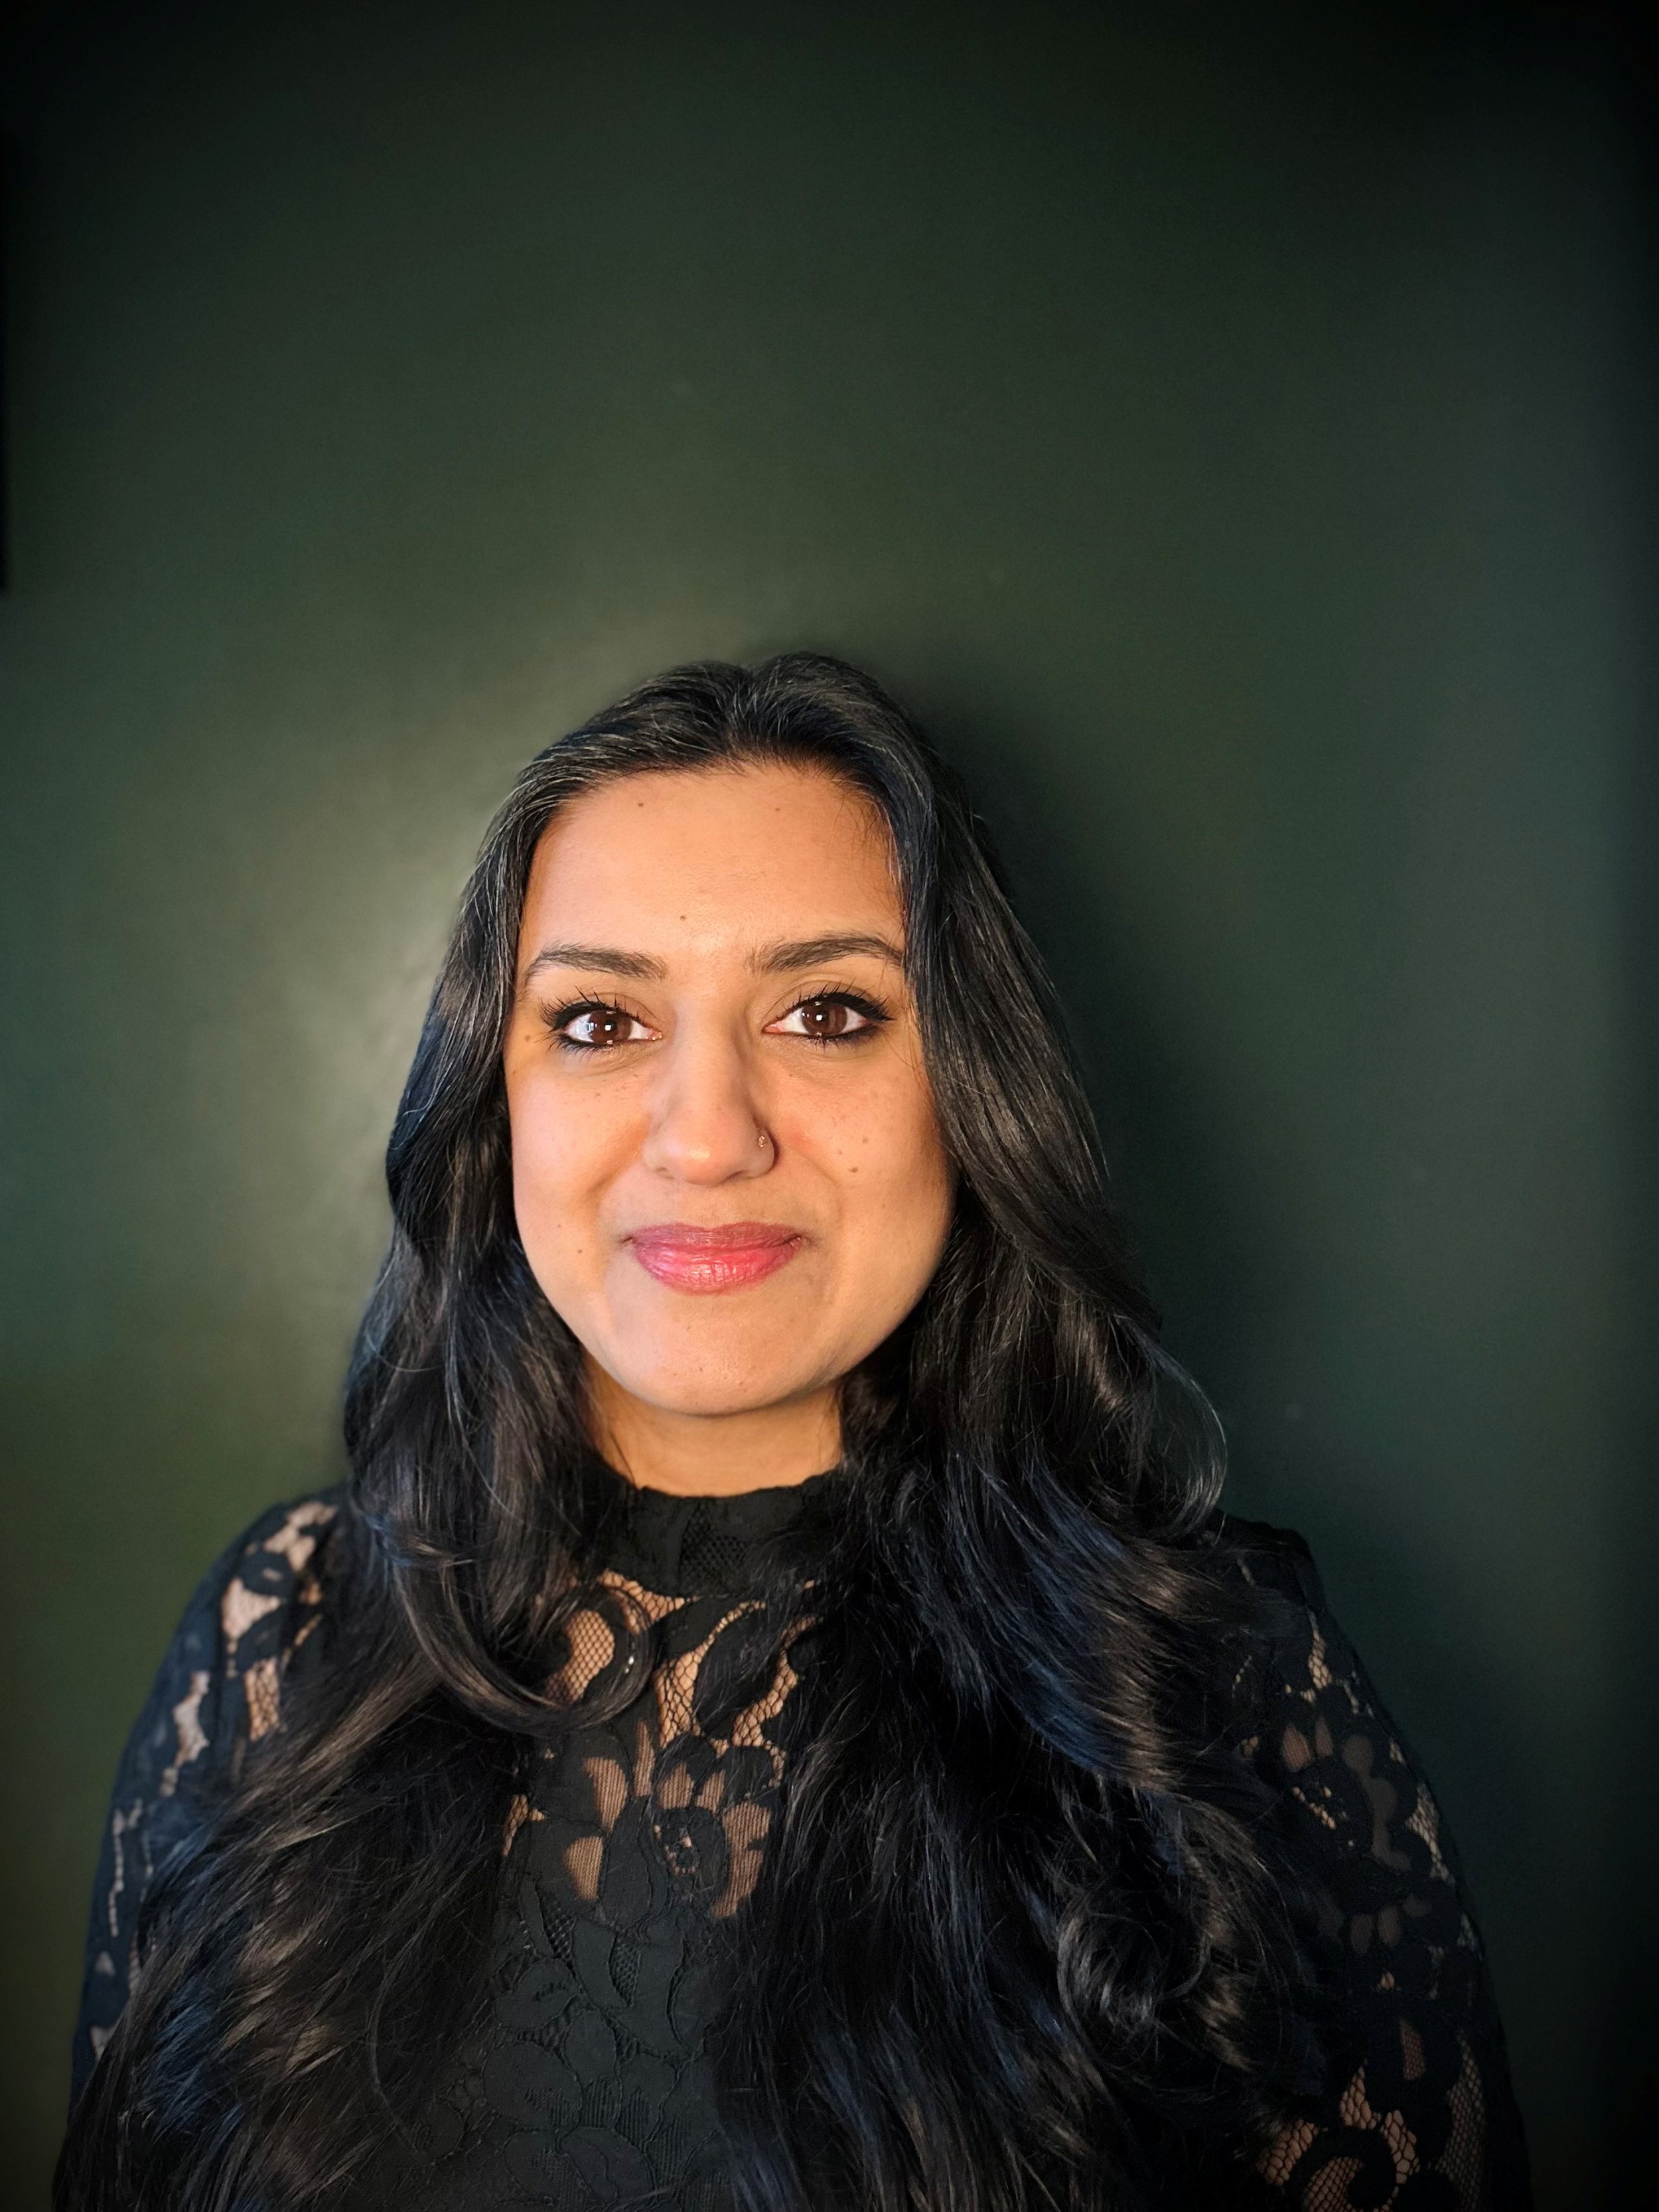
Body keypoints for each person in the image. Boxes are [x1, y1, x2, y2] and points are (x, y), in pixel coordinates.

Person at [56, 654, 1532, 2212]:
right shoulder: (278, 1646)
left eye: (827, 1012)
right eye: (599, 1018)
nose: (706, 1134)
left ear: (968, 1088)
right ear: (497, 1106)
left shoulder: (1213, 1688)